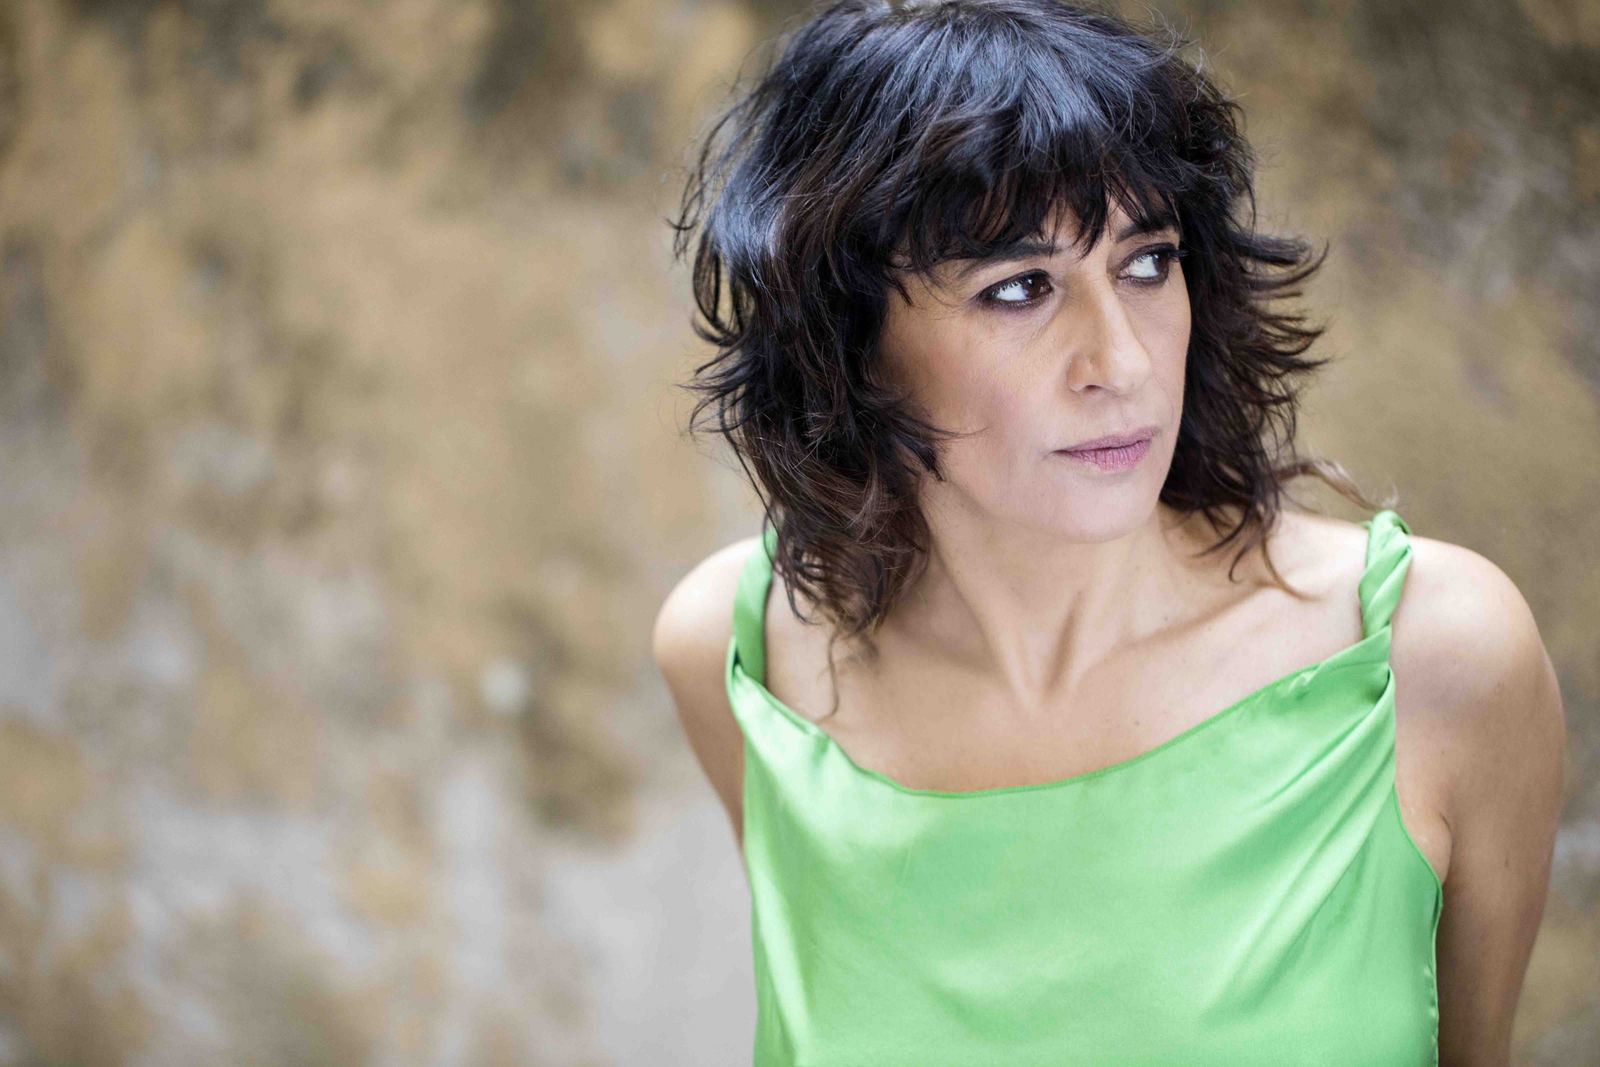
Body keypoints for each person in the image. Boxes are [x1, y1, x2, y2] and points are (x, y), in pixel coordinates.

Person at [650, 1, 1566, 1063]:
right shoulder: (742, 656)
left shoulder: (1433, 657)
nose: (1122, 361)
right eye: (1019, 287)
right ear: (847, 343)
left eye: (1146, 263)